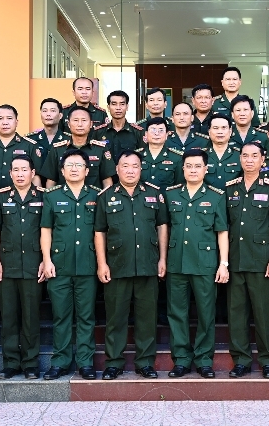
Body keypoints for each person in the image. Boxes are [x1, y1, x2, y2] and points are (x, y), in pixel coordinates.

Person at [95, 150, 169, 380]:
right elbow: (99, 232)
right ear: (117, 169)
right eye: (125, 166)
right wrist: (101, 264)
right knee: (116, 317)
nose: (130, 170)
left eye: (134, 166)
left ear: (141, 169)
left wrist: (162, 258)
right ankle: (114, 363)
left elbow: (162, 227)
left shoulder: (154, 194)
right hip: (118, 266)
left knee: (147, 317)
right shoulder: (105, 197)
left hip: (148, 264)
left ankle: (145, 362)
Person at [225, 142, 269, 379]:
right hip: (236, 259)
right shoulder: (230, 188)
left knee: (263, 313)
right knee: (237, 313)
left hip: (261, 261)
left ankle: (268, 360)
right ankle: (240, 360)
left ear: (264, 160)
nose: (249, 160)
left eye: (254, 156)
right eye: (245, 156)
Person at [164, 148, 229, 378]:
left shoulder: (216, 195)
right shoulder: (171, 195)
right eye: (188, 166)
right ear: (182, 168)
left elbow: (222, 231)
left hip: (205, 264)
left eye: (197, 166)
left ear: (205, 169)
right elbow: (165, 229)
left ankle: (203, 360)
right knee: (177, 313)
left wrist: (224, 263)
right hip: (176, 263)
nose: (193, 170)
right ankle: (181, 359)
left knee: (205, 314)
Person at [39, 149, 101, 381]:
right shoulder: (52, 196)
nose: (74, 169)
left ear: (87, 170)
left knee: (86, 316)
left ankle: (85, 363)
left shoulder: (97, 195)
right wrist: (46, 260)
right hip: (59, 265)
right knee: (61, 316)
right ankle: (61, 362)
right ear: (62, 171)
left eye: (79, 165)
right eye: (69, 165)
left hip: (88, 265)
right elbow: (46, 230)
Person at [0, 155, 45, 380]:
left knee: (31, 316)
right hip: (6, 265)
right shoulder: (0, 198)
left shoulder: (42, 197)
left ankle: (30, 364)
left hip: (33, 266)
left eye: (24, 169)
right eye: (16, 170)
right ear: (10, 173)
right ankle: (11, 363)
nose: (20, 174)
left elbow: (47, 230)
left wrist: (45, 259)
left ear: (32, 173)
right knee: (9, 316)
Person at [39, 106, 115, 189]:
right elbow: (51, 182)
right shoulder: (57, 149)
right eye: (75, 120)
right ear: (68, 124)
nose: (80, 124)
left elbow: (107, 181)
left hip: (94, 200)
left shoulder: (101, 149)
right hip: (63, 200)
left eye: (84, 120)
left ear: (91, 124)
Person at [0, 104, 42, 190]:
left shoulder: (29, 145)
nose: (5, 122)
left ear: (16, 122)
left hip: (19, 199)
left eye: (9, 118)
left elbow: (35, 176)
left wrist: (36, 199)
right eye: (0, 118)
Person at [91, 90, 145, 159]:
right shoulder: (98, 132)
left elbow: (142, 157)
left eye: (122, 104)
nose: (118, 108)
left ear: (127, 107)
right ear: (108, 107)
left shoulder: (138, 132)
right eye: (114, 104)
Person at [25, 98, 68, 179]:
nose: (48, 114)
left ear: (60, 115)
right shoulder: (30, 140)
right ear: (40, 114)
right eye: (45, 111)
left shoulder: (69, 139)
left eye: (52, 111)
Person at [138, 117, 184, 189]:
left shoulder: (177, 158)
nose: (156, 133)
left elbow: (179, 186)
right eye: (153, 130)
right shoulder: (136, 156)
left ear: (166, 135)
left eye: (161, 130)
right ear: (146, 134)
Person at [204, 113, 242, 190]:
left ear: (230, 131)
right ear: (209, 131)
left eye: (224, 128)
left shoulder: (241, 155)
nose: (220, 132)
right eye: (215, 128)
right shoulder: (200, 156)